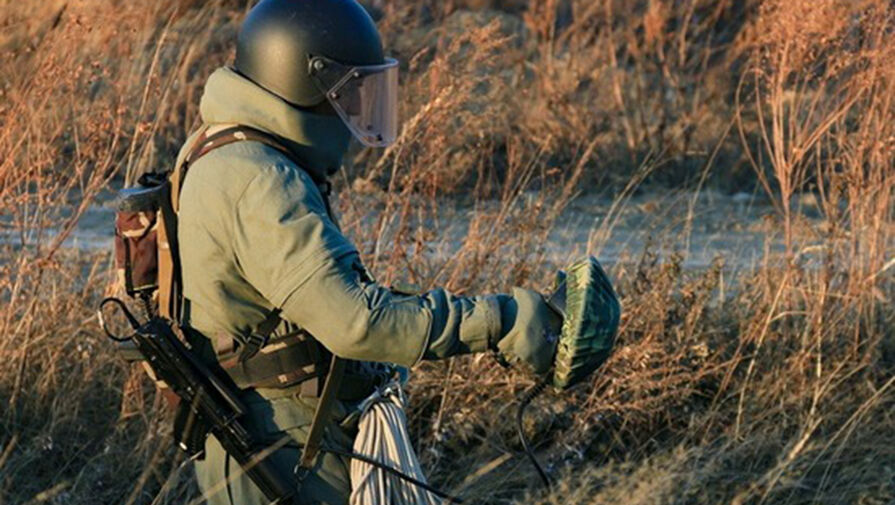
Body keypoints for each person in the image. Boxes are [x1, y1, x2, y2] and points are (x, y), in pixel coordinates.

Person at [175, 0, 562, 503]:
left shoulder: (218, 146)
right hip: (284, 454)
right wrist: (501, 321)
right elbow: (357, 322)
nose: (357, 110)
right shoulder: (261, 180)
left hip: (265, 439)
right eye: (348, 92)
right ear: (303, 80)